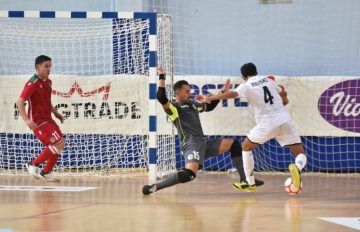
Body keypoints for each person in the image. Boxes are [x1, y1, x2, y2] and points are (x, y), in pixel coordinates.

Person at [142, 67, 264, 195]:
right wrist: (162, 77)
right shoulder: (174, 108)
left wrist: (222, 92)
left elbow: (210, 106)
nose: (189, 93)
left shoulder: (193, 104)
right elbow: (161, 97)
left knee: (234, 145)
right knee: (190, 175)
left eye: (190, 91)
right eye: (186, 91)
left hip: (203, 144)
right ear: (177, 94)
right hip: (191, 145)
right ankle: (155, 187)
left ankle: (245, 179)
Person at [196, 63, 307, 191]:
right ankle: (297, 168)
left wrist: (210, 97)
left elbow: (232, 95)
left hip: (268, 124)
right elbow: (282, 90)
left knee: (246, 146)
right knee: (300, 153)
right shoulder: (269, 80)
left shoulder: (246, 86)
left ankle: (250, 182)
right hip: (285, 121)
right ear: (256, 71)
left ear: (243, 77)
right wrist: (285, 99)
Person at [16, 55, 64, 182]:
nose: (49, 69)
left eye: (50, 66)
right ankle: (33, 163)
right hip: (38, 122)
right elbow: (19, 102)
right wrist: (27, 120)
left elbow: (47, 101)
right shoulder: (32, 83)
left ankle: (46, 172)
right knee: (58, 144)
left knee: (58, 145)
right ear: (38, 67)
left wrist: (56, 113)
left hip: (48, 119)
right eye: (46, 66)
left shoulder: (48, 82)